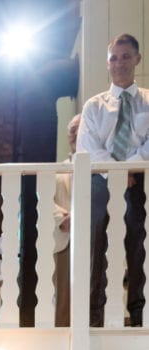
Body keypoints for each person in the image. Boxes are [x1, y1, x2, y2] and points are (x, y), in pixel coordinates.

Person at [77, 33, 149, 328]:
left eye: (125, 56)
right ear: (107, 63)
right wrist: (118, 173)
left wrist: (130, 170)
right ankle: (95, 313)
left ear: (137, 59)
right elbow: (89, 148)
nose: (119, 63)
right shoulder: (94, 106)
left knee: (137, 237)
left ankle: (139, 311)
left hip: (139, 180)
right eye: (113, 58)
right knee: (94, 234)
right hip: (102, 180)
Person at [53, 114, 80, 327]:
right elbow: (46, 202)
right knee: (63, 294)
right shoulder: (58, 170)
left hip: (93, 237)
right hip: (66, 237)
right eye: (74, 133)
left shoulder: (101, 169)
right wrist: (64, 218)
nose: (76, 136)